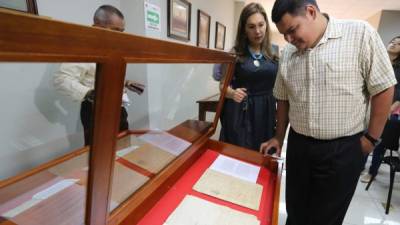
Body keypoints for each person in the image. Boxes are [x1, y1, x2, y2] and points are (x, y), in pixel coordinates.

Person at [259, 0, 397, 224]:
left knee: (325, 219)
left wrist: (371, 138)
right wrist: (278, 136)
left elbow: (383, 87)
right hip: (299, 147)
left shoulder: (360, 35)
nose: (289, 40)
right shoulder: (288, 54)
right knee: (295, 212)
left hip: (341, 150)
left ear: (311, 12)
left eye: (292, 30)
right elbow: (283, 99)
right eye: (284, 34)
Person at [54, 5, 144, 145]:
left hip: (118, 107)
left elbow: (102, 75)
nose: (119, 36)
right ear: (96, 28)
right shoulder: (83, 49)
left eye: (122, 32)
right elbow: (61, 80)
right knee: (98, 152)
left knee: (123, 146)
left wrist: (125, 82)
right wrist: (91, 94)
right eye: (115, 31)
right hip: (95, 110)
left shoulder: (114, 48)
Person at [217, 2, 278, 151]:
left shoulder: (274, 52)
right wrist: (232, 93)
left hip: (266, 112)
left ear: (266, 26)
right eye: (251, 27)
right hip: (242, 113)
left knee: (263, 154)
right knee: (239, 154)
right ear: (244, 29)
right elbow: (222, 85)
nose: (257, 31)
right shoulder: (235, 53)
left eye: (261, 25)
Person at [360, 36, 400, 183]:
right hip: (370, 104)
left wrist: (390, 108)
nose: (394, 44)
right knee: (366, 135)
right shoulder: (378, 61)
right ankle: (360, 166)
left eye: (398, 43)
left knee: (378, 142)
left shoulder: (398, 68)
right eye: (392, 41)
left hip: (389, 108)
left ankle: (372, 172)